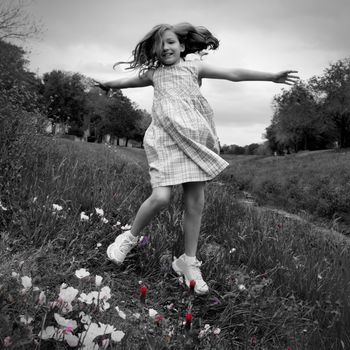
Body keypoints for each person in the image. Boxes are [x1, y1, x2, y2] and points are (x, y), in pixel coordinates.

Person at [94, 22, 299, 295]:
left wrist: (271, 76)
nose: (165, 47)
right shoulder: (154, 74)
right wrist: (108, 84)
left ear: (181, 46)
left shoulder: (193, 67)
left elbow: (233, 74)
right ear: (154, 50)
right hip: (164, 141)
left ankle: (187, 262)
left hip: (192, 140)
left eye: (170, 42)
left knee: (195, 203)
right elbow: (125, 83)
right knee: (161, 198)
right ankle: (128, 238)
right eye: (160, 44)